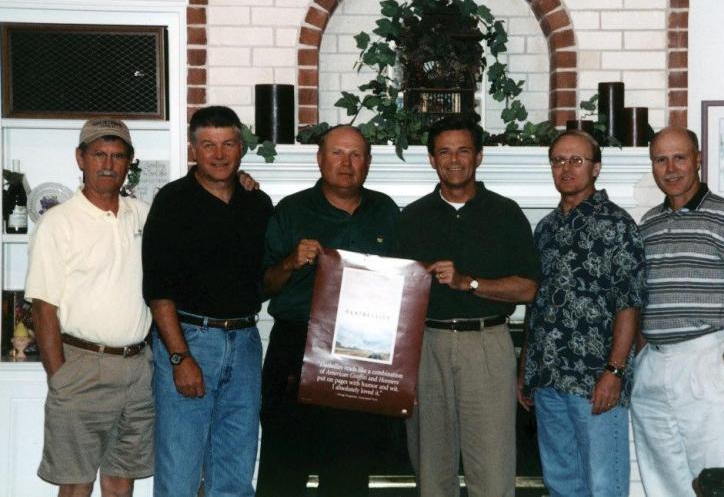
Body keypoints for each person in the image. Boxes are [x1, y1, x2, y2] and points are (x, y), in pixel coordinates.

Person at [397, 116, 540, 497]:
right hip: (426, 347)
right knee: (432, 472)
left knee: (492, 470)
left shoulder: (506, 213)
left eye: (463, 151)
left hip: (487, 344)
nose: (454, 160)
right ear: (432, 159)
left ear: (478, 156)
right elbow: (396, 297)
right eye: (444, 152)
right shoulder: (411, 217)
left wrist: (469, 283)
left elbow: (529, 289)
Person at [256, 125, 400, 497]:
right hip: (297, 347)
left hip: (361, 352)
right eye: (337, 153)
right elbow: (262, 286)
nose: (346, 163)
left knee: (349, 470)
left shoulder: (386, 211)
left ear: (368, 162)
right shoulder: (291, 210)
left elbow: (404, 284)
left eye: (356, 155)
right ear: (320, 159)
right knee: (284, 469)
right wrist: (290, 262)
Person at [631, 126, 724, 496]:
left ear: (698, 159)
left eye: (679, 157)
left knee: (716, 477)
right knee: (661, 479)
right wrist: (641, 358)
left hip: (705, 359)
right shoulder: (647, 225)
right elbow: (641, 298)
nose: (670, 168)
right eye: (661, 160)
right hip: (653, 365)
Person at [142, 105, 274, 497]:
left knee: (235, 469)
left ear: (241, 148)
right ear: (193, 149)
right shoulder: (172, 201)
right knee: (180, 470)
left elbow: (264, 279)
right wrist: (179, 358)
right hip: (190, 339)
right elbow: (158, 291)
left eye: (228, 144)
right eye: (208, 145)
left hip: (245, 342)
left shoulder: (257, 203)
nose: (219, 154)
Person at [26, 118, 153, 497]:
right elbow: (43, 309)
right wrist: (60, 379)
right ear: (80, 158)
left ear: (129, 162)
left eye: (118, 156)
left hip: (138, 368)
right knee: (76, 483)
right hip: (81, 367)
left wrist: (241, 183)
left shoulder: (143, 214)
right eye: (99, 154)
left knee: (121, 483)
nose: (108, 165)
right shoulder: (57, 222)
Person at [519, 129, 647, 496]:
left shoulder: (618, 225)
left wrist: (615, 372)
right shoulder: (545, 228)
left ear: (596, 167)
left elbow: (629, 303)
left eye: (576, 160)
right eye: (558, 161)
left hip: (595, 380)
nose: (566, 168)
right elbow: (535, 303)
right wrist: (526, 368)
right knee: (560, 484)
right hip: (547, 379)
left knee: (604, 484)